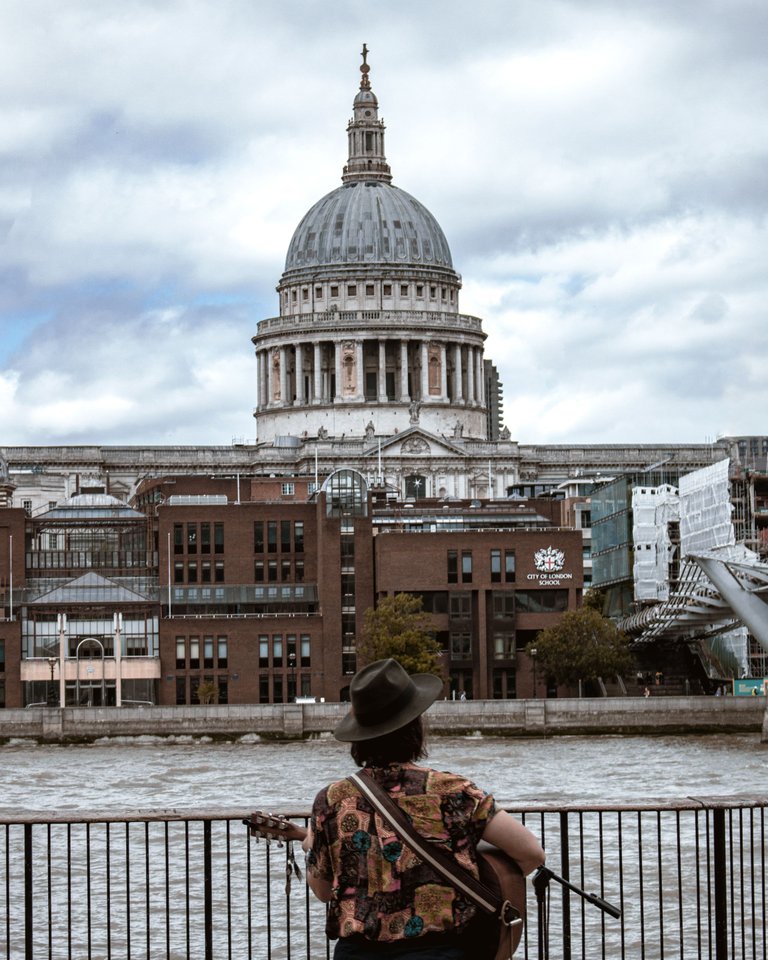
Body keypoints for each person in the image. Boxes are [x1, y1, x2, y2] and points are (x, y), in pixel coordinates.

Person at [302, 658, 545, 958]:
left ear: (359, 736)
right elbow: (531, 853)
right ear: (414, 726)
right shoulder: (453, 792)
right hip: (441, 951)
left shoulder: (330, 800)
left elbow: (324, 891)